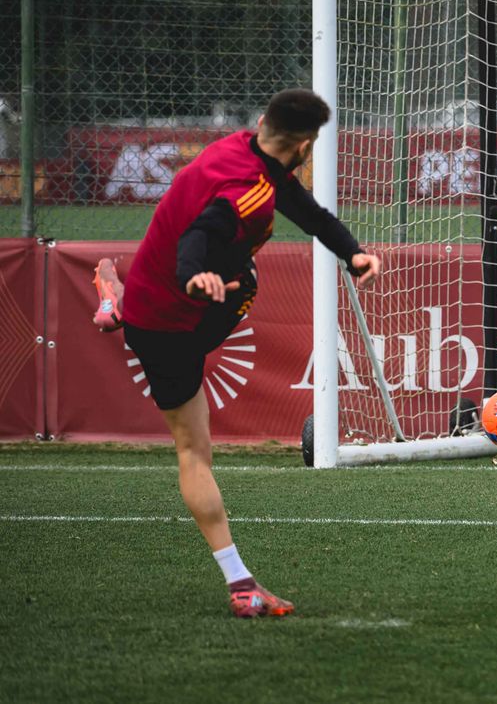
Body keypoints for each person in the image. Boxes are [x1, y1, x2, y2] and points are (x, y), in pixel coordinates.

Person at [92, 88, 383, 617]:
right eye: (313, 144)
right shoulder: (245, 190)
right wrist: (194, 277)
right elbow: (202, 232)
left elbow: (306, 211)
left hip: (164, 303)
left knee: (242, 277)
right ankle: (241, 585)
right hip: (167, 324)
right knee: (193, 452)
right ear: (301, 144)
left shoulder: (245, 149)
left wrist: (352, 252)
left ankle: (120, 307)